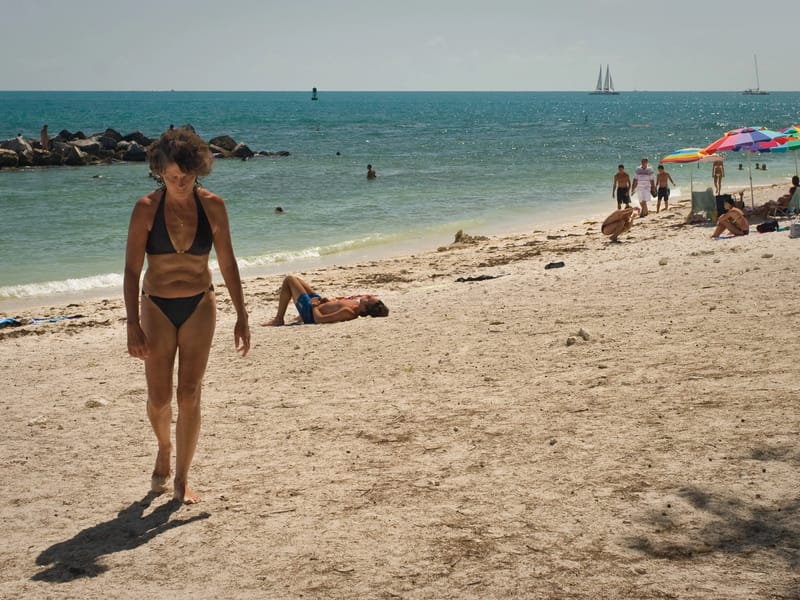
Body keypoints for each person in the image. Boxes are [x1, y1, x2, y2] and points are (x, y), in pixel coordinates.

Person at [124, 127, 251, 504]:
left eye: (186, 176)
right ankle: (164, 448)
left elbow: (227, 262)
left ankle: (181, 478)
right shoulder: (146, 209)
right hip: (156, 306)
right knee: (159, 399)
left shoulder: (213, 206)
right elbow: (131, 270)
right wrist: (132, 323)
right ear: (159, 172)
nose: (179, 183)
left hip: (199, 304)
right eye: (171, 176)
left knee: (189, 393)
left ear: (199, 170)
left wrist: (241, 313)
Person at [263, 275, 389, 326]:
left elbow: (319, 319)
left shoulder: (349, 312)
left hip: (310, 312)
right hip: (319, 303)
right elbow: (336, 305)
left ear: (366, 308)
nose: (367, 295)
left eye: (368, 298)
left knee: (289, 280)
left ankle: (279, 319)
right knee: (297, 280)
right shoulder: (355, 304)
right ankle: (296, 315)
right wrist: (327, 302)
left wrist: (314, 306)